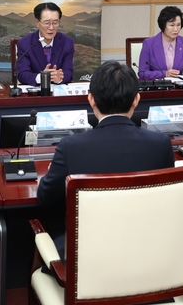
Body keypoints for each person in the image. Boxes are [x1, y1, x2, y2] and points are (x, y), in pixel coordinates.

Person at [37, 61, 175, 260]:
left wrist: (53, 172)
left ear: (91, 99)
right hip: (146, 255)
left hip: (86, 259)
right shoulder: (161, 144)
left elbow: (46, 198)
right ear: (136, 99)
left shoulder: (71, 147)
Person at [16, 2, 75, 85]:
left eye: (55, 23)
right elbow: (22, 74)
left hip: (58, 90)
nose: (51, 28)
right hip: (36, 91)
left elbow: (69, 72)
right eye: (47, 23)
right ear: (37, 22)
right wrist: (42, 77)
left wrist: (60, 78)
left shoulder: (67, 42)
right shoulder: (25, 44)